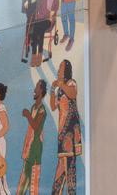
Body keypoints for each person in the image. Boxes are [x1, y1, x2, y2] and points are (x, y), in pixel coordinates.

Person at [50, 61, 82, 195]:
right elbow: (53, 106)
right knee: (62, 164)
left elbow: (72, 94)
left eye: (61, 68)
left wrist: (60, 84)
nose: (58, 70)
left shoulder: (71, 83)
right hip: (62, 132)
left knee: (69, 164)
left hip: (70, 131)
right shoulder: (60, 90)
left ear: (66, 71)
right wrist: (52, 89)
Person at [17, 81, 48, 195]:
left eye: (37, 88)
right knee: (23, 181)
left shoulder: (42, 110)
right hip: (29, 148)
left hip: (35, 149)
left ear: (41, 90)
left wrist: (27, 115)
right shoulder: (34, 107)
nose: (34, 90)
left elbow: (35, 126)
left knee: (33, 183)